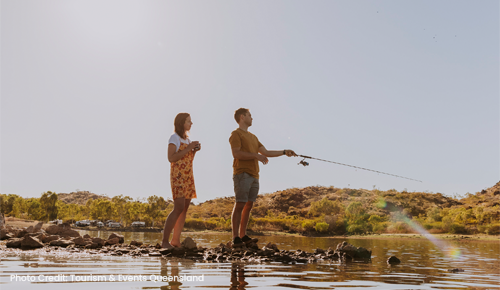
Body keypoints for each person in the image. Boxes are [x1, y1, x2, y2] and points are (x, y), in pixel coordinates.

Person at [229, 108, 296, 247]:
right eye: (249, 116)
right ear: (242, 117)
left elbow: (266, 152)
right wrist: (255, 155)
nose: (252, 118)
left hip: (254, 175)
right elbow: (236, 154)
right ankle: (235, 238)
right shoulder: (236, 134)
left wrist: (284, 152)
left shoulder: (253, 137)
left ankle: (243, 235)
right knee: (240, 203)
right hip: (242, 173)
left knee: (249, 205)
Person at [161, 113, 200, 249]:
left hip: (188, 176)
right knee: (178, 208)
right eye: (189, 121)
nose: (191, 123)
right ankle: (165, 242)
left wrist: (193, 151)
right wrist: (189, 148)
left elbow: (187, 160)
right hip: (178, 176)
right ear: (182, 123)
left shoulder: (188, 141)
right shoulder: (174, 138)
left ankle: (175, 241)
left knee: (184, 209)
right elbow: (171, 158)